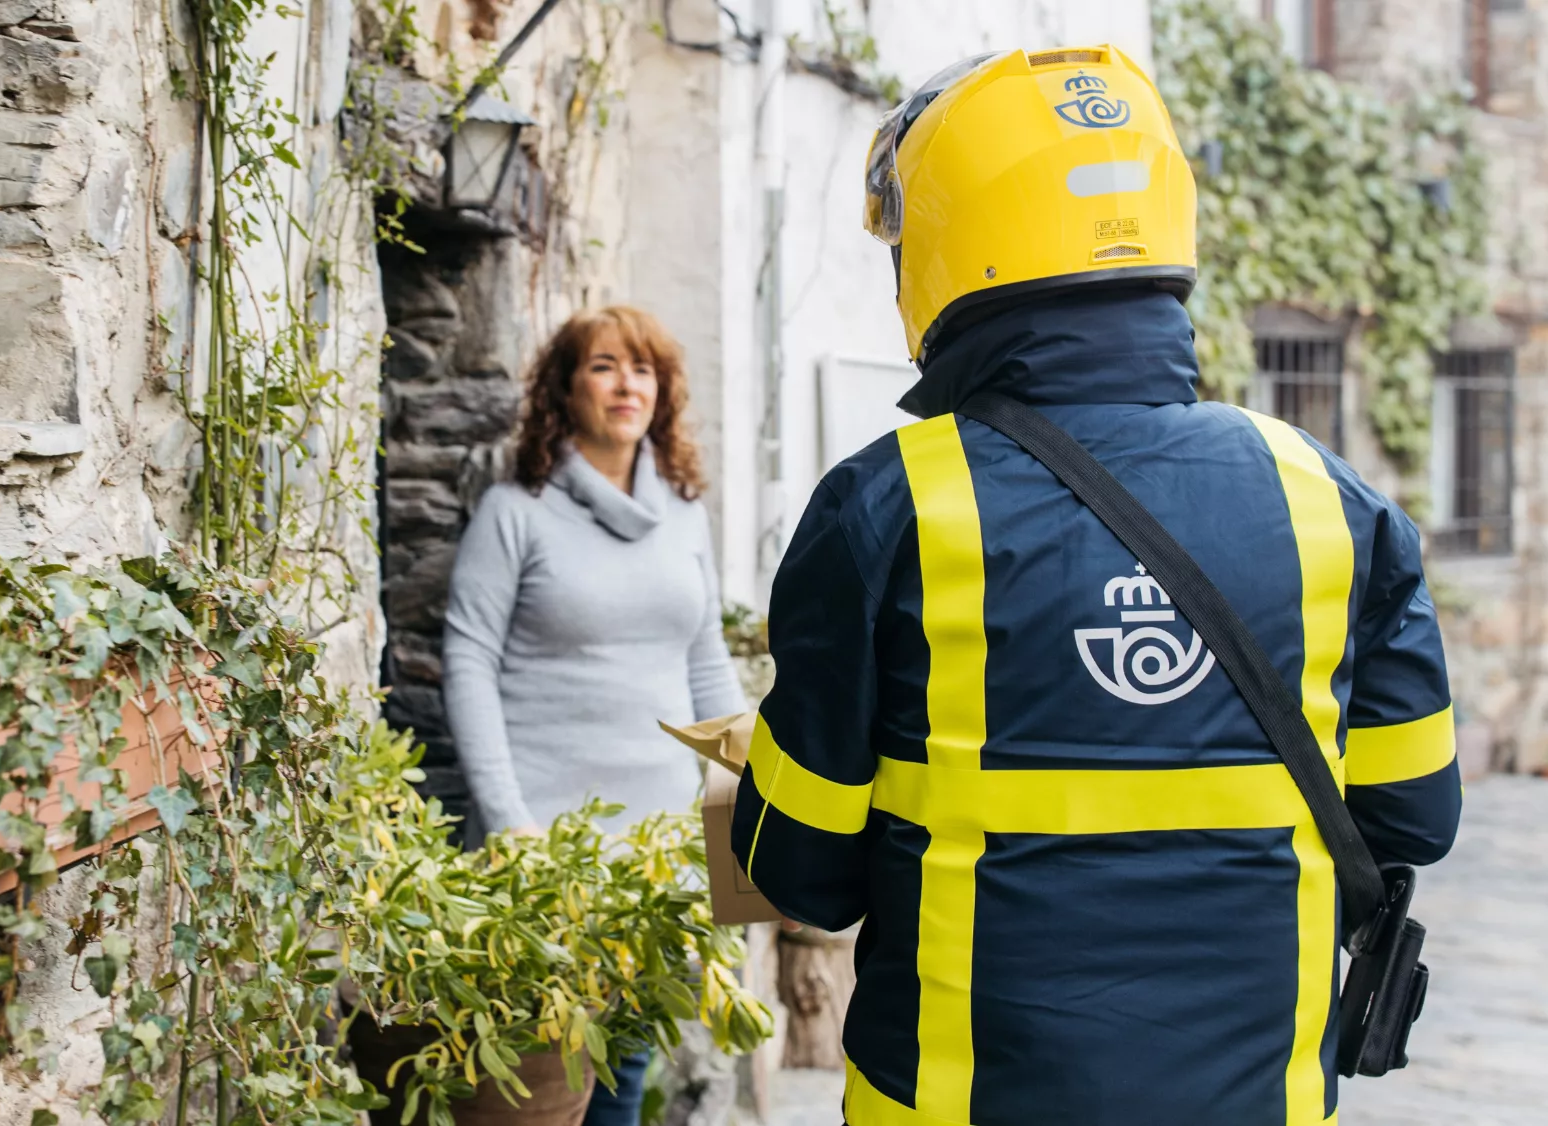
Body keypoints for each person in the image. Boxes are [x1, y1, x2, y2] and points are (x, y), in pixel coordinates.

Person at [731, 46, 1463, 1126]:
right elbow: (1413, 815)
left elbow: (797, 870)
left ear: (944, 248)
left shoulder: (889, 506)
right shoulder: (1329, 500)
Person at [443, 305, 746, 1126]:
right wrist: (507, 823)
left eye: (642, 368)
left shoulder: (685, 515)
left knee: (627, 1055)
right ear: (564, 390)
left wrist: (748, 820)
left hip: (656, 848)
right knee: (537, 1076)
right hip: (541, 841)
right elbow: (467, 664)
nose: (627, 384)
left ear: (663, 391)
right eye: (605, 366)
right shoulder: (516, 511)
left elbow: (705, 664)